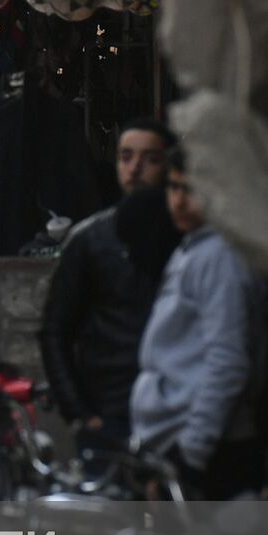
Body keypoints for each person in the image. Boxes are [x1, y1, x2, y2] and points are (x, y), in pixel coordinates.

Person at [130, 149, 268, 500]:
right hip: (182, 437)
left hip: (208, 446)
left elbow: (228, 361)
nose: (179, 201)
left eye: (192, 191)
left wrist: (192, 451)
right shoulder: (195, 248)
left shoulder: (220, 258)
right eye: (174, 188)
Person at [40, 118, 175, 461]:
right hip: (109, 410)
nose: (135, 168)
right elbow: (55, 329)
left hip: (174, 410)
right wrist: (81, 414)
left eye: (150, 158)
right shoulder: (90, 239)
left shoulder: (186, 237)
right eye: (126, 157)